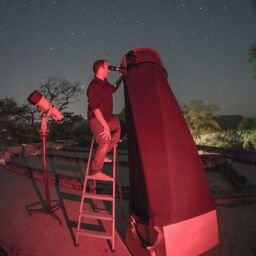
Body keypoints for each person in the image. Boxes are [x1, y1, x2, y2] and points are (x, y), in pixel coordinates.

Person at [87, 59, 123, 180]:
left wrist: (122, 78)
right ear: (101, 69)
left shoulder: (104, 83)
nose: (109, 70)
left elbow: (113, 88)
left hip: (108, 117)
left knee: (120, 127)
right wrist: (106, 127)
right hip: (96, 119)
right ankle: (95, 171)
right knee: (105, 140)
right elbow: (96, 110)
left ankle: (101, 156)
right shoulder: (93, 86)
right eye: (107, 67)